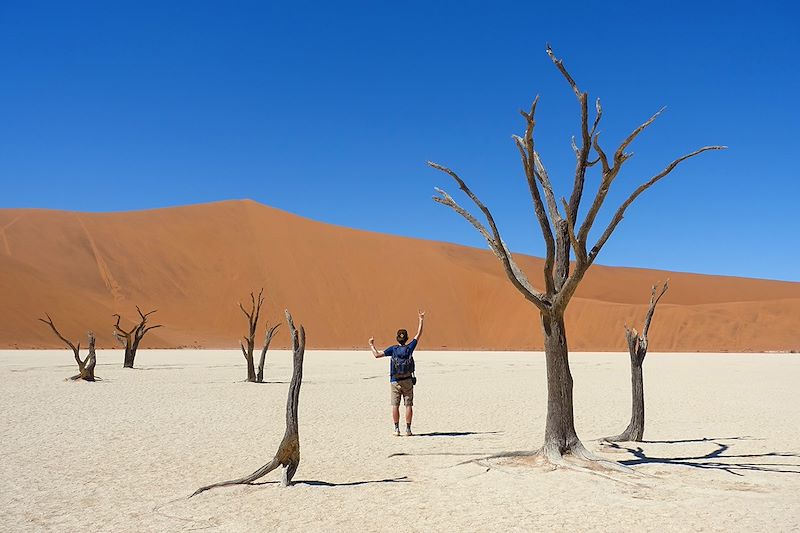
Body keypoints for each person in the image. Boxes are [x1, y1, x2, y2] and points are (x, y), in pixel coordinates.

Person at [369, 310, 425, 436]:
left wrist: (371, 345)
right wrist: (421, 319)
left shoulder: (393, 349)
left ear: (397, 338)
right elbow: (418, 335)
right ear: (406, 338)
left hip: (394, 380)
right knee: (408, 404)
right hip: (408, 380)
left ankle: (396, 429)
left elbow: (377, 355)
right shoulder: (410, 348)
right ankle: (408, 429)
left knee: (395, 405)